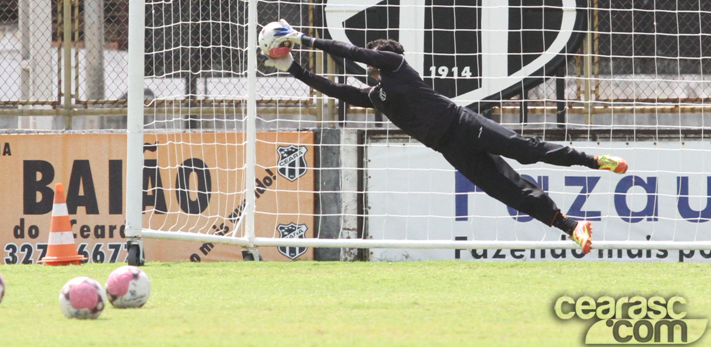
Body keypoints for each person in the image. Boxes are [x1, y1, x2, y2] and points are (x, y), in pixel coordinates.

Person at [263, 20, 628, 254]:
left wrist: (304, 38)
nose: (368, 61)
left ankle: (593, 160)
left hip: (464, 124)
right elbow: (335, 89)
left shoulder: (397, 66)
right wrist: (294, 68)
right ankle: (572, 226)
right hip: (450, 147)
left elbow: (352, 52)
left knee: (525, 151)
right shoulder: (377, 95)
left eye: (373, 56)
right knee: (506, 189)